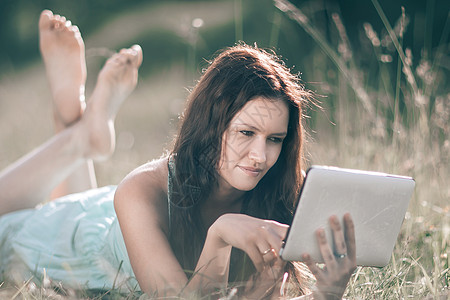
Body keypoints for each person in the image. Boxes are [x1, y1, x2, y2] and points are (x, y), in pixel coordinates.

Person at [0, 9, 356, 300]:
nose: (260, 156)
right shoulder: (141, 189)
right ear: (210, 124)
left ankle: (74, 124)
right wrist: (221, 234)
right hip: (68, 236)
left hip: (115, 218)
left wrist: (325, 295)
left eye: (275, 139)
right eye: (246, 133)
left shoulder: (270, 196)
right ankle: (78, 137)